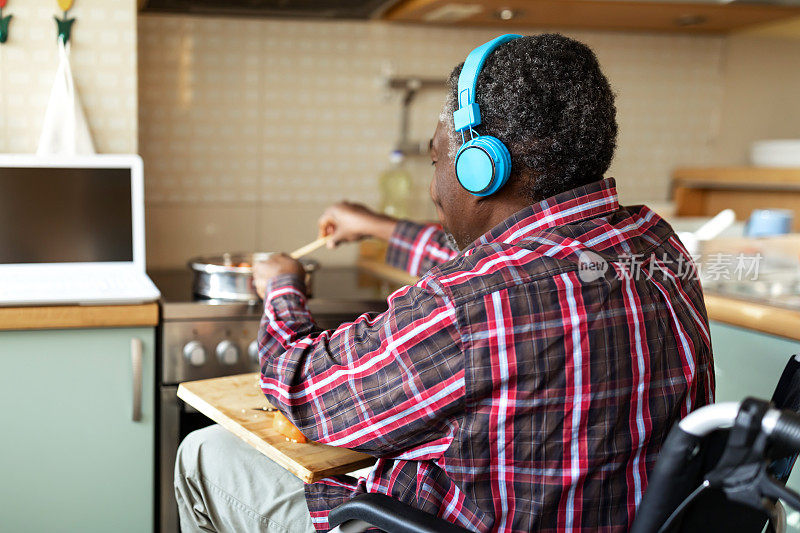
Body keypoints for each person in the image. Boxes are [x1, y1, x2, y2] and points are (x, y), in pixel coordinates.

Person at [175, 33, 713, 532]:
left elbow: (304, 392)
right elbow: (523, 268)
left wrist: (282, 289)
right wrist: (378, 227)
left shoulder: (468, 304)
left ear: (484, 168)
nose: (435, 188)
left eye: (438, 158)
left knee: (205, 453)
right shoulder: (656, 245)